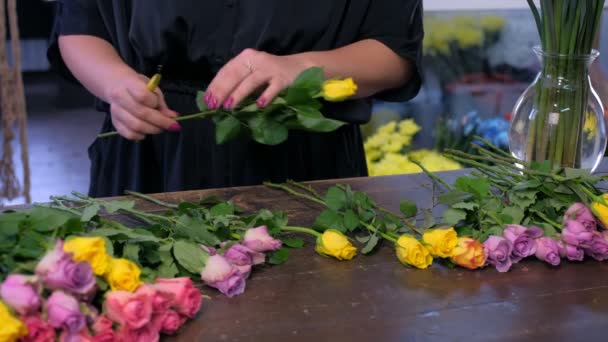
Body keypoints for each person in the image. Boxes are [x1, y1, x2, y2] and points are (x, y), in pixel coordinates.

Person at [48, 1, 423, 197]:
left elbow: (396, 54)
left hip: (306, 157)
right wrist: (117, 83)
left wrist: (302, 67)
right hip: (152, 150)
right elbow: (79, 27)